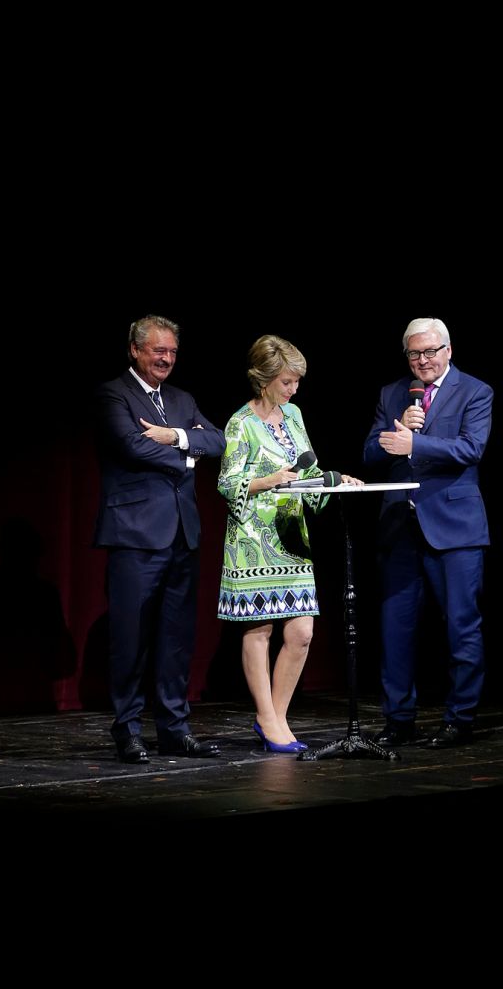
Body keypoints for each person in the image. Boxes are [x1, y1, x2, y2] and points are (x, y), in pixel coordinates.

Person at [217, 333, 362, 753]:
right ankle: (268, 718)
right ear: (263, 380)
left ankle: (276, 717)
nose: (293, 389)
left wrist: (335, 483)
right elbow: (227, 484)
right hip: (252, 540)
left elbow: (309, 469)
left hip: (291, 539)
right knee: (260, 628)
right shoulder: (240, 423)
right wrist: (269, 480)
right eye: (286, 382)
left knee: (301, 632)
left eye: (296, 381)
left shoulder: (294, 415)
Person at [92, 314, 227, 762]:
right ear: (135, 350)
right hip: (134, 534)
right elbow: (130, 444)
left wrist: (175, 436)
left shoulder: (182, 399)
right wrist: (186, 456)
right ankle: (127, 730)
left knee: (176, 638)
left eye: (171, 351)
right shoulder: (115, 393)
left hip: (182, 535)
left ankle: (174, 728)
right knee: (129, 638)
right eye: (157, 351)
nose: (166, 359)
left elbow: (219, 441)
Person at [362, 316, 492, 748]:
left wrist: (415, 443)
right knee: (395, 628)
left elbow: (471, 448)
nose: (422, 361)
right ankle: (398, 719)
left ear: (448, 351)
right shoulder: (393, 393)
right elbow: (369, 453)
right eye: (414, 353)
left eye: (430, 352)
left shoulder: (475, 391)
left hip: (455, 528)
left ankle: (460, 718)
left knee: (461, 626)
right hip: (401, 528)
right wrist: (393, 430)